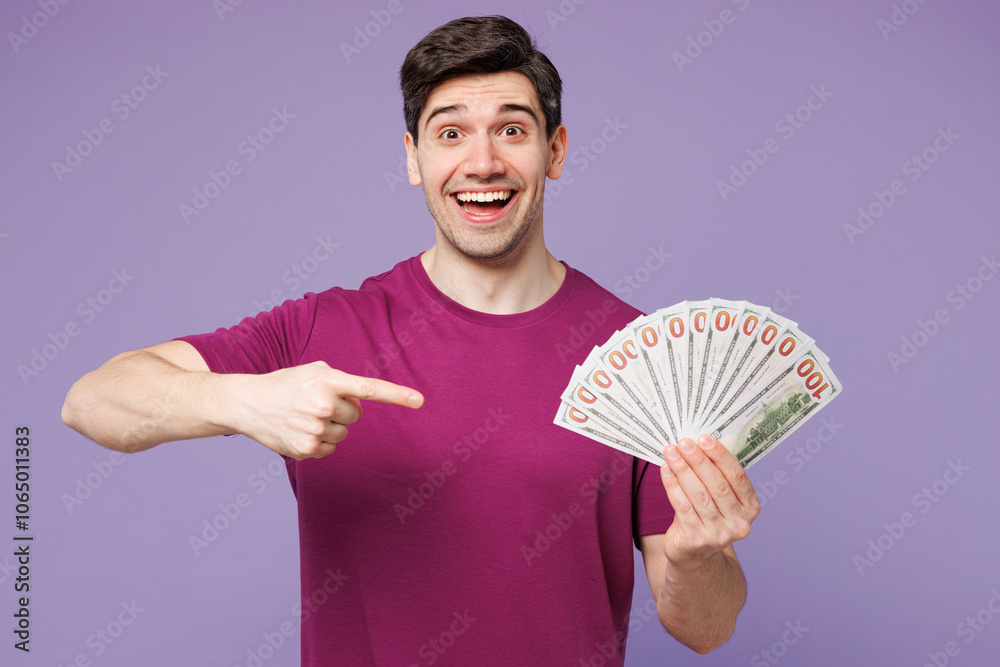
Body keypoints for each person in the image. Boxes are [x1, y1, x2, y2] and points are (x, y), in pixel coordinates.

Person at [62, 15, 759, 666]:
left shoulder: (640, 354)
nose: (481, 162)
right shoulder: (320, 331)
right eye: (449, 133)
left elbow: (706, 626)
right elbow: (93, 402)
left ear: (556, 150)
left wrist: (699, 559)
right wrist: (242, 400)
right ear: (412, 158)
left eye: (512, 131)